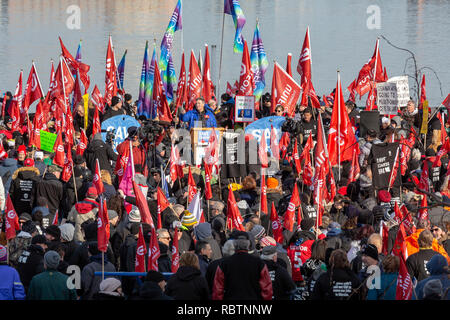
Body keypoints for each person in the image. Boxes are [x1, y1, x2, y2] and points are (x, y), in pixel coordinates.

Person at [212, 233, 273, 300]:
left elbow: (218, 289)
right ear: (248, 245)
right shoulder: (259, 263)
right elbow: (267, 288)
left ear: (234, 245)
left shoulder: (224, 264)